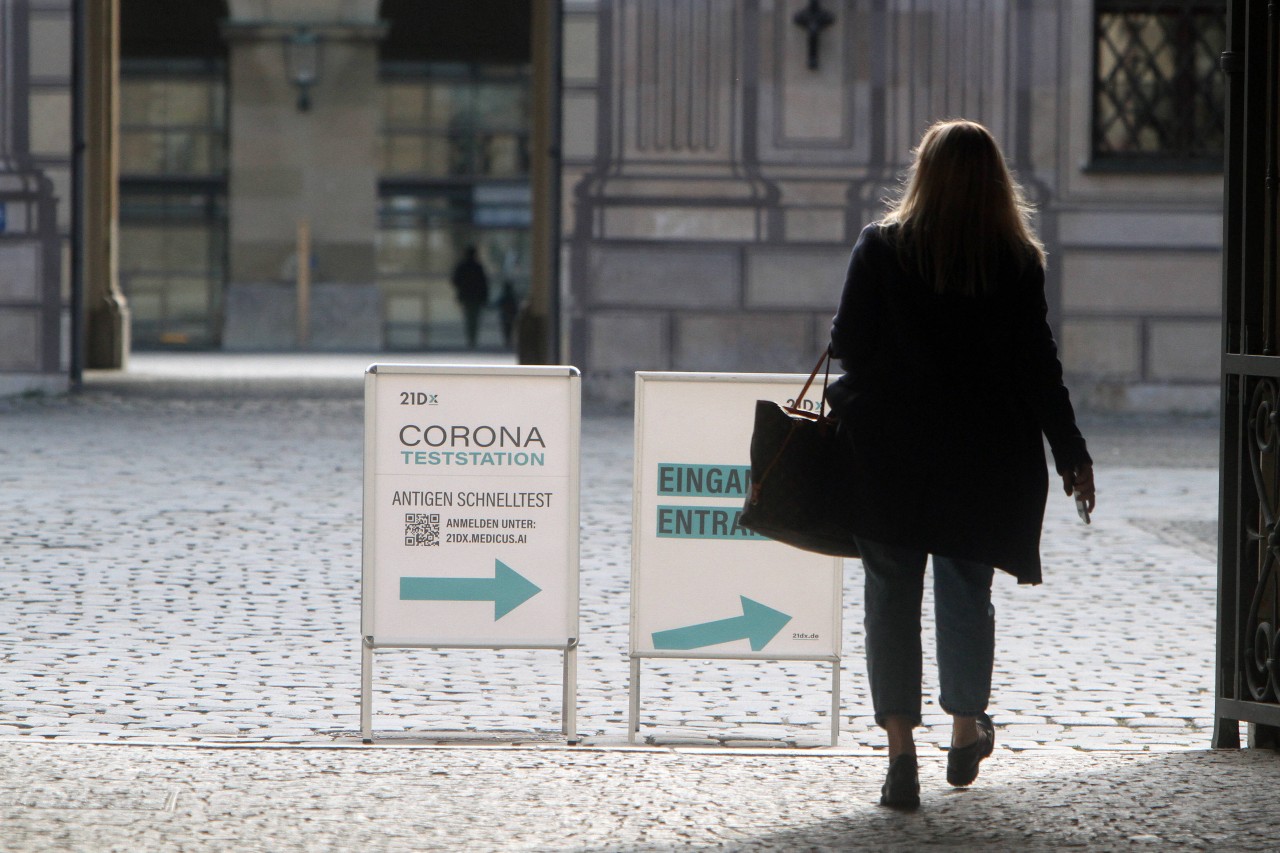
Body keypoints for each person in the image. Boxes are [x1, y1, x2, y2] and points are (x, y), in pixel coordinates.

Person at [825, 119, 1096, 809]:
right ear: (996, 185)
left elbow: (848, 345)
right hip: (983, 460)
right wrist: (1071, 451)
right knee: (966, 589)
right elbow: (1040, 368)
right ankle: (965, 728)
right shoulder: (1014, 262)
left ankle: (899, 755)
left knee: (889, 599)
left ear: (923, 173)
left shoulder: (880, 249)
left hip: (889, 456)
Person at [451, 245, 490, 349]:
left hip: (466, 297)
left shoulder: (462, 266)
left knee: (469, 318)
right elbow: (484, 284)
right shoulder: (478, 267)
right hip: (476, 297)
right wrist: (484, 297)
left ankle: (471, 339)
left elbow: (455, 280)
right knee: (474, 318)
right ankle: (472, 339)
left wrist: (463, 287)